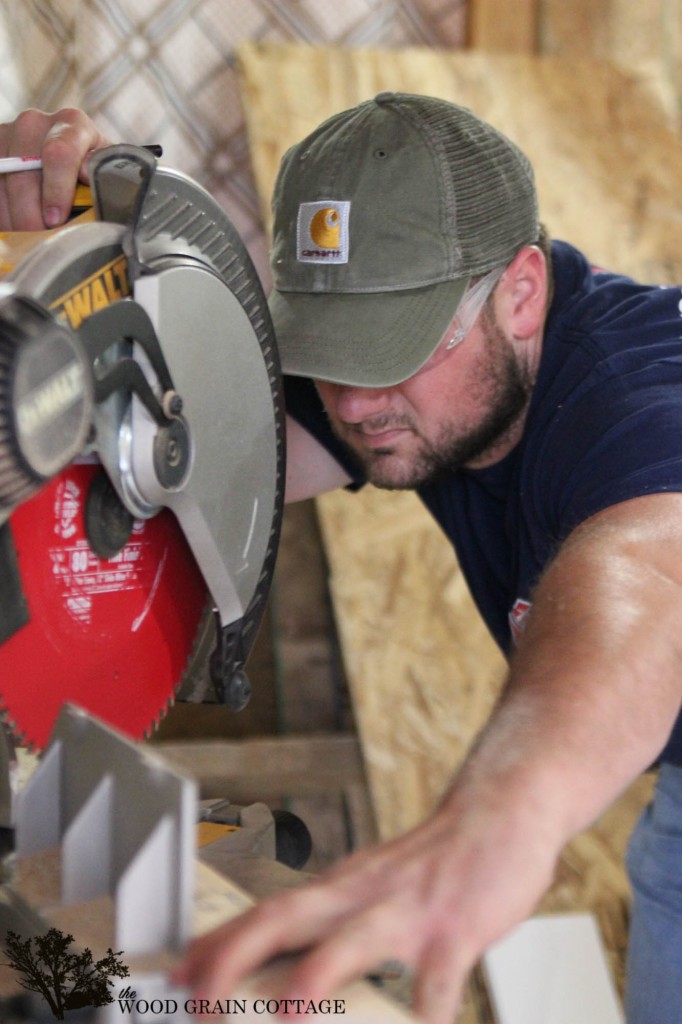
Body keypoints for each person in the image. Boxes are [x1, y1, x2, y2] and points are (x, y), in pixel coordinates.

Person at [2, 93, 682, 1024]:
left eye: (390, 351)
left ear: (520, 292)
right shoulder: (446, 383)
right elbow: (211, 456)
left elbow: (650, 580)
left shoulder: (640, 400)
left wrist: (499, 816)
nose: (355, 403)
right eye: (331, 352)